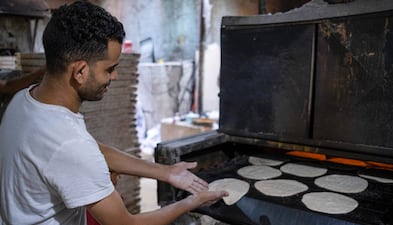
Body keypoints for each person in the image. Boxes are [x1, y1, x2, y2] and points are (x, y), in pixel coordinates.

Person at [0, 1, 227, 225]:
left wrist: (166, 172)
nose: (114, 77)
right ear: (79, 71)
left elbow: (92, 149)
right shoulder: (69, 144)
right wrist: (191, 202)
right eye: (109, 69)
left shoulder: (25, 100)